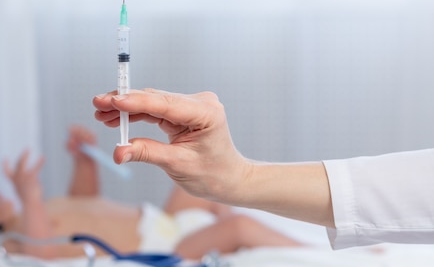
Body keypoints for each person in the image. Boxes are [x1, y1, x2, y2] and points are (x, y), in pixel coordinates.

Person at [92, 88, 434, 249]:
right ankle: (313, 249)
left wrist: (240, 178)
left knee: (232, 215)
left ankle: (314, 248)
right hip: (158, 241)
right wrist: (239, 178)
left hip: (160, 223)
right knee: (237, 221)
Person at [0, 126, 301, 260]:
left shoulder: (29, 217)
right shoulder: (13, 242)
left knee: (204, 183)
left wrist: (84, 163)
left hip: (164, 223)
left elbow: (84, 204)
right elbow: (45, 255)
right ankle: (309, 254)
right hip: (162, 248)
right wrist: (29, 197)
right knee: (240, 227)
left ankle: (241, 236)